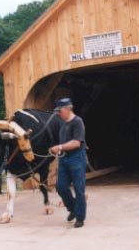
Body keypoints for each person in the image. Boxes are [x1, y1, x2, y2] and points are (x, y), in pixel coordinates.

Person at [50, 98, 87, 228]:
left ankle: (80, 218)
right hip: (64, 159)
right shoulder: (63, 123)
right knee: (61, 187)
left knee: (79, 189)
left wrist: (59, 147)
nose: (58, 113)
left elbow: (76, 143)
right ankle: (73, 209)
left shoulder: (78, 122)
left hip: (76, 158)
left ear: (67, 108)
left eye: (60, 111)